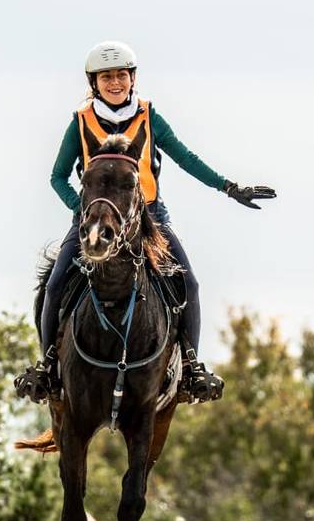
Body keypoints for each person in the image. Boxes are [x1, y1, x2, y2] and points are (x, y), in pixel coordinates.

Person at [14, 41, 275, 405]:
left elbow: (185, 157)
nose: (115, 82)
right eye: (107, 77)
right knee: (55, 284)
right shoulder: (80, 121)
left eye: (121, 75)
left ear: (132, 78)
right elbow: (57, 176)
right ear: (95, 82)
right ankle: (47, 365)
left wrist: (229, 187)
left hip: (149, 218)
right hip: (94, 220)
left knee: (191, 285)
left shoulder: (149, 116)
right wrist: (81, 209)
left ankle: (191, 365)